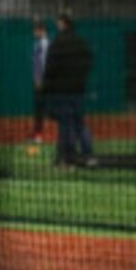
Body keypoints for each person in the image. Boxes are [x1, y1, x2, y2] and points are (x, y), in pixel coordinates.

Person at [41, 13, 96, 167]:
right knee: (79, 122)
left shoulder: (58, 42)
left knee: (66, 124)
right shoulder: (81, 42)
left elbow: (50, 68)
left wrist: (45, 89)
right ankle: (88, 154)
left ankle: (68, 157)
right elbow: (89, 62)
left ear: (62, 23)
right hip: (78, 90)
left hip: (61, 91)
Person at [29, 19, 51, 144]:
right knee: (39, 108)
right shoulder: (37, 44)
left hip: (44, 82)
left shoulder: (46, 44)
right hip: (39, 82)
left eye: (36, 29)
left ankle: (40, 135)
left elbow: (44, 64)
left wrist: (40, 79)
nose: (34, 32)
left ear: (41, 30)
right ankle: (38, 135)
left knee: (43, 108)